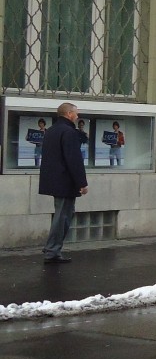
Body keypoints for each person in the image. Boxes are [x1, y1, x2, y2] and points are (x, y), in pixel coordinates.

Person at [38, 102, 89, 263]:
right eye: (76, 113)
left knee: (62, 215)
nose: (78, 116)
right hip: (65, 181)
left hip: (54, 180)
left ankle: (52, 248)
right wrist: (82, 182)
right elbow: (73, 159)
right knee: (63, 217)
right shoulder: (69, 132)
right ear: (69, 114)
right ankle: (52, 250)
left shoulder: (51, 131)